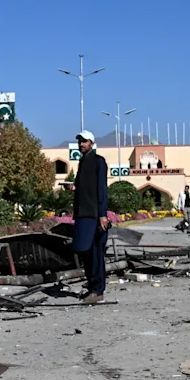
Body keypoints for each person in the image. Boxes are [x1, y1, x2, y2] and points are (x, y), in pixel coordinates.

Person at [71, 130, 110, 304]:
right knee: (84, 251)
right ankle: (92, 285)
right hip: (82, 214)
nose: (81, 144)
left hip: (94, 215)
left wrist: (102, 214)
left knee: (95, 253)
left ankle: (98, 290)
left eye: (84, 141)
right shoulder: (82, 162)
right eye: (80, 141)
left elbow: (101, 189)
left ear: (91, 143)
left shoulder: (98, 161)